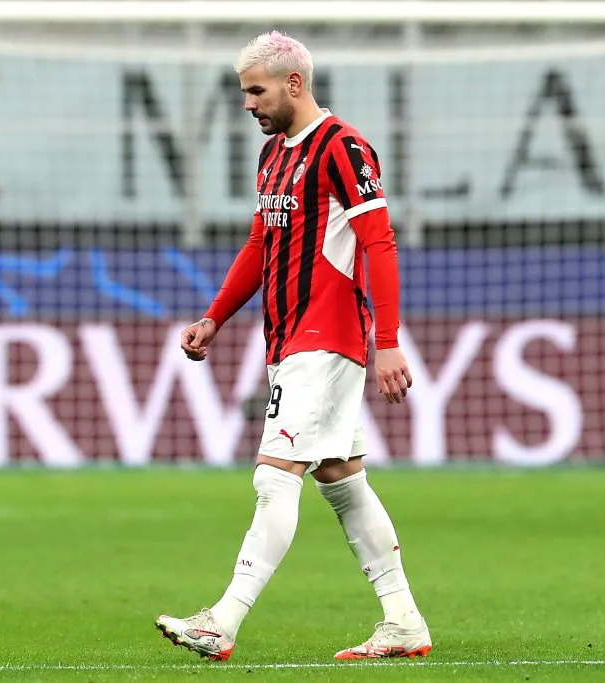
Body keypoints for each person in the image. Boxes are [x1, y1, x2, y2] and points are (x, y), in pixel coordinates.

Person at [155, 30, 432, 662]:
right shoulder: (273, 157)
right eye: (244, 92)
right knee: (341, 478)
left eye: (256, 91)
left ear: (294, 83)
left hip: (326, 336)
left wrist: (388, 341)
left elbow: (379, 242)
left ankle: (222, 621)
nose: (247, 103)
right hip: (286, 338)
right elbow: (261, 243)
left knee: (273, 476)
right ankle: (403, 621)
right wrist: (215, 317)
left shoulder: (344, 147)